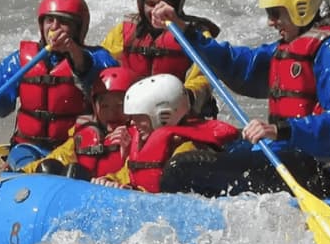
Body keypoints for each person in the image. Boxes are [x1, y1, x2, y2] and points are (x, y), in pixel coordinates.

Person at [149, 0, 330, 197]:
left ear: (300, 9)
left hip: (318, 170)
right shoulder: (287, 48)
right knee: (203, 145)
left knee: (181, 170)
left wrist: (279, 130)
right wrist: (183, 28)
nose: (271, 22)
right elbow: (237, 64)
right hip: (288, 153)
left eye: (275, 13)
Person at [0, 0, 119, 157]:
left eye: (63, 22)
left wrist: (75, 55)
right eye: (49, 20)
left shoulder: (98, 58)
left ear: (78, 29)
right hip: (29, 148)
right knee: (36, 165)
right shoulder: (22, 61)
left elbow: (114, 88)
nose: (54, 28)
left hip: (75, 149)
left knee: (57, 168)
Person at [99, 0, 222, 119]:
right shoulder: (124, 32)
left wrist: (184, 97)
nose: (156, 11)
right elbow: (103, 64)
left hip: (177, 115)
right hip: (134, 112)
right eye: (150, 4)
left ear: (177, 4)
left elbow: (204, 78)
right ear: (141, 5)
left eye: (163, 4)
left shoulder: (195, 35)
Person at [91, 73, 239, 192]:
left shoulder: (186, 152)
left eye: (139, 117)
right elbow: (126, 174)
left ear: (164, 115)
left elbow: (175, 197)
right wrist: (110, 180)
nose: (132, 123)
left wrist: (133, 192)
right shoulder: (142, 142)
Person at [31, 66, 141, 178]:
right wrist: (24, 171)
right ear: (94, 107)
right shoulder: (83, 135)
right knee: (48, 167)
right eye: (105, 106)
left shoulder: (141, 139)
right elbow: (59, 156)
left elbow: (139, 176)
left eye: (120, 105)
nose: (112, 114)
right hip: (87, 187)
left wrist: (128, 154)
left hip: (114, 187)